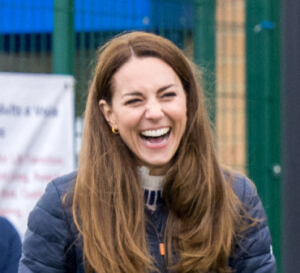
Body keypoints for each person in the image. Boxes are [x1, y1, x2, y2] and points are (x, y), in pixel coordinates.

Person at [19, 31, 276, 272]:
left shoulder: (237, 198)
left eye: (167, 95)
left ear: (187, 101)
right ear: (110, 115)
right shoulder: (64, 206)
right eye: (134, 100)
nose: (154, 113)